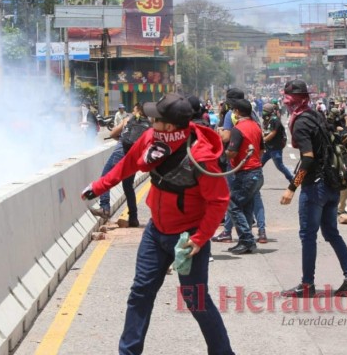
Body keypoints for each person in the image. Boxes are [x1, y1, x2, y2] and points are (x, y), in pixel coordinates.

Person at [81, 93, 234, 355]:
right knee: (140, 292)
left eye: (156, 119)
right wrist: (99, 186)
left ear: (171, 126)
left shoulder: (202, 156)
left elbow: (219, 201)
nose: (150, 121)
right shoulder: (154, 138)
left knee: (195, 300)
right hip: (156, 231)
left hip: (188, 238)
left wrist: (199, 239)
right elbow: (127, 164)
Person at [279, 79, 347, 298]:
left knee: (308, 235)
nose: (286, 104)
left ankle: (307, 285)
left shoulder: (301, 122)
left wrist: (291, 187)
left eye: (288, 99)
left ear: (293, 100)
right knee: (332, 233)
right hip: (332, 184)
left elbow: (307, 159)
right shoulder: (316, 115)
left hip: (315, 186)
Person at [90, 103, 151, 227]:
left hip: (121, 152)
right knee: (128, 186)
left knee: (105, 177)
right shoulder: (149, 126)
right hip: (134, 157)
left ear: (137, 110)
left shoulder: (127, 120)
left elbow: (112, 134)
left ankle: (105, 207)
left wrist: (123, 139)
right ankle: (133, 218)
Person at [225, 99, 265, 254]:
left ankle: (247, 239)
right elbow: (261, 151)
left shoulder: (238, 129)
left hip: (246, 174)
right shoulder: (256, 126)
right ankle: (245, 241)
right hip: (256, 172)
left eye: (233, 111)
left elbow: (232, 152)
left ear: (237, 112)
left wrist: (221, 153)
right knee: (246, 207)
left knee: (232, 204)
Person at [262, 103, 294, 182]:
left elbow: (273, 133)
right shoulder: (267, 120)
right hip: (268, 147)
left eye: (264, 110)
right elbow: (265, 132)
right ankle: (255, 180)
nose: (263, 112)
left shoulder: (275, 120)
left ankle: (293, 180)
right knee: (259, 164)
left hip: (275, 148)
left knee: (280, 166)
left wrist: (263, 140)